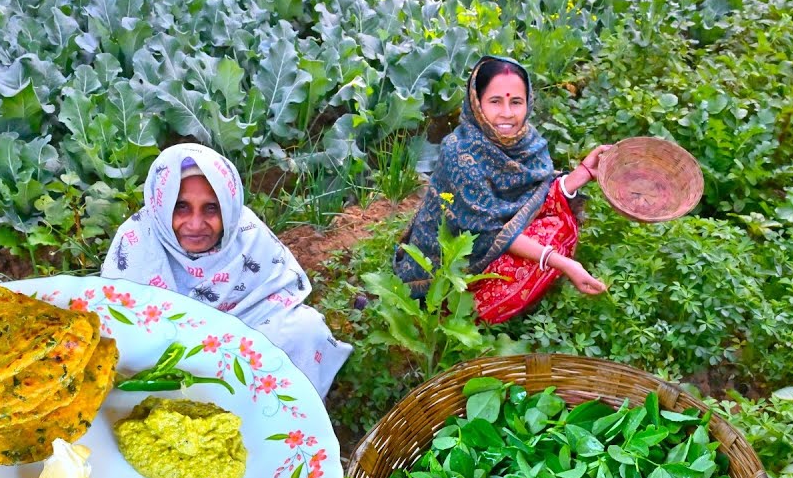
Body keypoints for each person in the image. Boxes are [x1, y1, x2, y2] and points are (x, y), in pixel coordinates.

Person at [102, 144, 352, 397]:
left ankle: (285, 420)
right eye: (181, 207)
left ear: (228, 207)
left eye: (211, 208)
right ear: (161, 205)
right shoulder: (136, 242)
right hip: (168, 357)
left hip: (244, 337)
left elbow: (278, 298)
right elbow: (118, 325)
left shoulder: (247, 235)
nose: (196, 224)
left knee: (305, 329)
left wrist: (223, 347)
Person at [394, 55, 610, 324]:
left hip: (493, 238)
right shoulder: (459, 152)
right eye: (495, 101)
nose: (507, 113)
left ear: (527, 103)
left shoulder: (527, 143)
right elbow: (487, 231)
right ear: (477, 103)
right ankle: (457, 316)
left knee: (557, 224)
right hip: (451, 266)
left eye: (516, 102)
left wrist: (583, 174)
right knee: (535, 257)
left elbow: (536, 195)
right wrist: (562, 263)